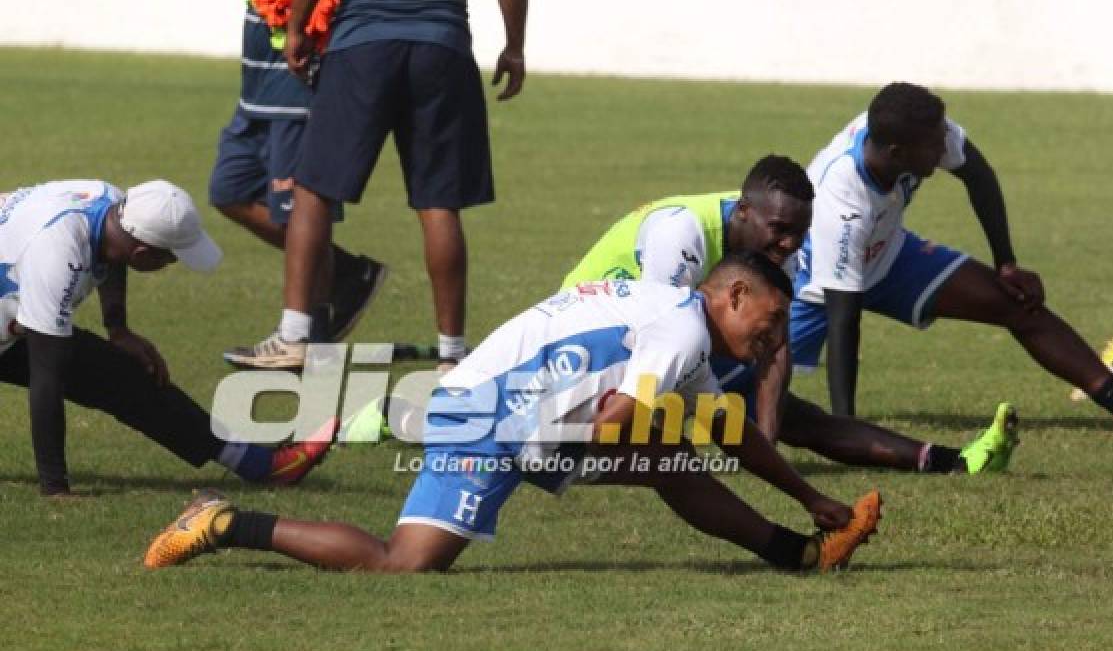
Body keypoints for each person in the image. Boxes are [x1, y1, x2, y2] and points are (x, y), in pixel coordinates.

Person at [144, 253, 882, 574]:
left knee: (673, 460)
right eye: (774, 318)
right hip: (491, 413)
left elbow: (736, 435)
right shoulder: (685, 329)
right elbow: (623, 418)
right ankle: (223, 523)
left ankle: (799, 552)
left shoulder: (682, 323)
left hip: (514, 406)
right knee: (404, 564)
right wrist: (597, 444)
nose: (777, 336)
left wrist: (812, 497)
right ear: (735, 297)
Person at [559, 155, 1018, 474]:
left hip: (664, 346)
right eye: (779, 230)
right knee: (699, 415)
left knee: (796, 417)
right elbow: (658, 340)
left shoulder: (783, 253)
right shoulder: (682, 233)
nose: (789, 245)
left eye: (799, 234)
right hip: (592, 345)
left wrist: (767, 439)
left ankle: (952, 461)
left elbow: (775, 349)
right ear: (743, 212)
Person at [792, 82, 1113, 436]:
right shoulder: (840, 203)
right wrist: (848, 430)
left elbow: (978, 174)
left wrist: (1006, 262)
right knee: (748, 382)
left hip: (890, 253)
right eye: (934, 146)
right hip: (813, 285)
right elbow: (844, 317)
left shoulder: (910, 127)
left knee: (1016, 303)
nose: (943, 148)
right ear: (897, 152)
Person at [226, 0, 529, 372]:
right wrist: (514, 45)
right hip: (442, 48)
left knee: (313, 189)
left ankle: (293, 336)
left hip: (362, 45)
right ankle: (452, 353)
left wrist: (296, 27)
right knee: (439, 203)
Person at [0, 180, 335, 496]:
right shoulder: (56, 256)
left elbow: (109, 254)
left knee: (125, 376)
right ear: (143, 255)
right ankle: (52, 485)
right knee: (62, 369)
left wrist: (118, 328)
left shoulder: (109, 203)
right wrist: (55, 487)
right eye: (171, 257)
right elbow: (46, 379)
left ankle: (262, 466)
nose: (173, 263)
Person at [213, 0, 386, 360]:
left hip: (301, 90)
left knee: (303, 211)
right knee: (228, 190)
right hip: (253, 90)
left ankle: (308, 334)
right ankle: (346, 274)